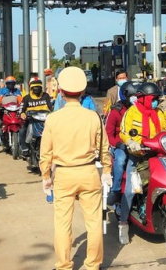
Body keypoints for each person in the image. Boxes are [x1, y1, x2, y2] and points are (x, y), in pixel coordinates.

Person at [39, 66, 112, 270]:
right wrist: (106, 171)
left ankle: (63, 265)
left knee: (62, 223)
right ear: (82, 91)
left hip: (63, 173)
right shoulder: (92, 117)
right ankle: (92, 265)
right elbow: (103, 148)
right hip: (89, 172)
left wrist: (46, 176)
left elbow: (45, 153)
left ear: (60, 91)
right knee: (94, 222)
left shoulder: (53, 118)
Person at [118, 82, 166, 244]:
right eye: (154, 98)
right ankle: (123, 224)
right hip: (138, 157)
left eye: (158, 99)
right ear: (144, 98)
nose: (156, 101)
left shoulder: (158, 112)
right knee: (130, 191)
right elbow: (123, 131)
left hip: (158, 155)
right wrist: (130, 141)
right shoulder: (132, 112)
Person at [104, 81, 140, 206]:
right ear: (125, 95)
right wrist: (119, 144)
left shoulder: (139, 110)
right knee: (120, 160)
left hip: (137, 144)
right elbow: (107, 134)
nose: (136, 98)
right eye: (133, 95)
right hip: (120, 145)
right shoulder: (115, 111)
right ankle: (116, 191)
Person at [19, 79, 52, 158]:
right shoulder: (27, 98)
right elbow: (22, 109)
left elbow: (50, 107)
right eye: (34, 87)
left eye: (38, 87)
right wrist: (22, 114)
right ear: (31, 88)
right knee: (22, 130)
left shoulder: (46, 96)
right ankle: (24, 149)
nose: (36, 89)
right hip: (31, 118)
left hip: (44, 119)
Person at [0, 76, 22, 154]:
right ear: (6, 84)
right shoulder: (2, 91)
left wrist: (22, 106)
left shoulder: (17, 91)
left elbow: (20, 100)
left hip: (15, 113)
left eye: (12, 83)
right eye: (9, 83)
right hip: (4, 112)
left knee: (23, 126)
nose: (11, 85)